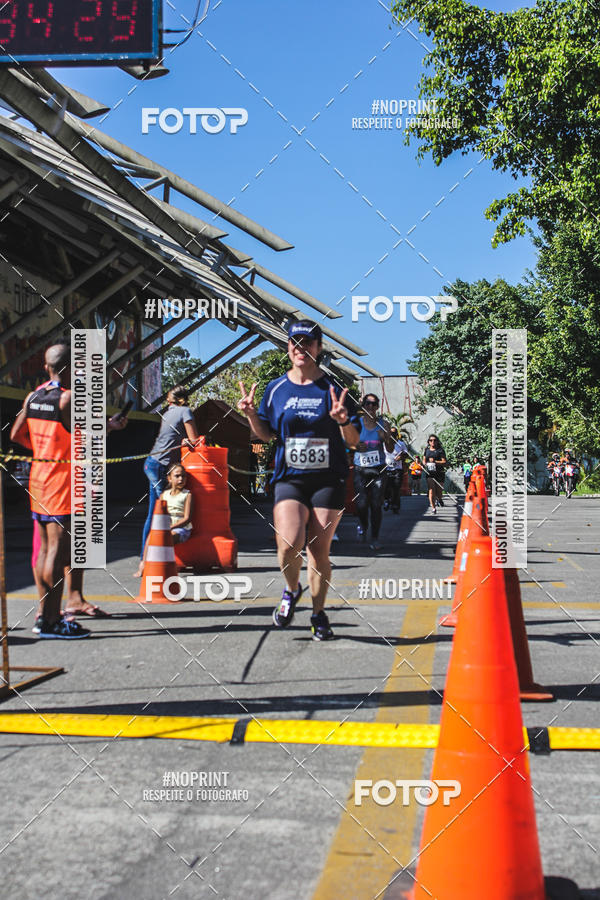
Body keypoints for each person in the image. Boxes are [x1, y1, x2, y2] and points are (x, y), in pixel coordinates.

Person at [237, 320, 360, 641]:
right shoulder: (277, 388)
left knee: (319, 551)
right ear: (288, 347)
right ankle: (291, 590)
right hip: (289, 477)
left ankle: (319, 615)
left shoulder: (333, 388)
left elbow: (354, 442)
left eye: (307, 343)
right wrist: (251, 414)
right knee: (289, 543)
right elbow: (264, 435)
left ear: (318, 348)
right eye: (294, 342)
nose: (299, 348)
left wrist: (343, 422)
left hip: (328, 479)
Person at [10, 343, 126, 637]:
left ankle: (44, 616)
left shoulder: (34, 395)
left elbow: (16, 434)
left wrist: (43, 448)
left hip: (39, 479)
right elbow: (86, 435)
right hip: (63, 483)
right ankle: (51, 621)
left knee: (43, 552)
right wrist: (110, 427)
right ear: (68, 368)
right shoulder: (68, 399)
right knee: (57, 554)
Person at [134, 385, 199, 577]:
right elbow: (195, 439)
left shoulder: (168, 412)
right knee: (158, 513)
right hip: (160, 466)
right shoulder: (185, 411)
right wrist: (187, 442)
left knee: (156, 512)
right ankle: (145, 561)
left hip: (153, 463)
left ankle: (149, 559)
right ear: (185, 399)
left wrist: (182, 441)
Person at [353, 393, 395, 550]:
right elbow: (348, 443)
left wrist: (387, 438)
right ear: (363, 406)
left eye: (373, 404)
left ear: (377, 406)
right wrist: (356, 447)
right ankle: (363, 525)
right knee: (362, 503)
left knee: (376, 504)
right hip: (360, 469)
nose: (370, 407)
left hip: (379, 469)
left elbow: (390, 449)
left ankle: (375, 538)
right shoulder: (356, 424)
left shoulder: (384, 424)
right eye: (367, 404)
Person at [383, 426, 408, 514]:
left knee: (396, 488)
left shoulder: (401, 444)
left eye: (394, 433)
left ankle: (395, 505)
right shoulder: (384, 443)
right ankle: (387, 500)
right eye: (391, 433)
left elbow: (406, 454)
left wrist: (401, 457)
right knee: (386, 487)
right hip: (386, 469)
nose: (392, 435)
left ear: (397, 434)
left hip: (397, 469)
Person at [423, 434, 447, 513]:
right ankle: (433, 508)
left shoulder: (440, 450)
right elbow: (424, 460)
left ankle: (439, 499)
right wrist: (425, 464)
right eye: (431, 440)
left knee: (439, 491)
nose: (433, 442)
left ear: (437, 441)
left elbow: (444, 462)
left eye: (434, 440)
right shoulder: (427, 450)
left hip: (439, 472)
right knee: (431, 490)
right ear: (428, 442)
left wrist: (435, 462)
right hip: (430, 473)